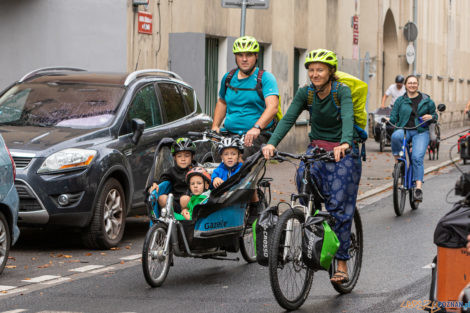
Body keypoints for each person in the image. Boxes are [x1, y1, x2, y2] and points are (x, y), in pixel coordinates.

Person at [262, 49, 362, 285]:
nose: (315, 74)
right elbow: (287, 119)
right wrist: (271, 143)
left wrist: (346, 142)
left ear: (330, 72)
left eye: (320, 69)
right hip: (317, 149)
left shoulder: (341, 91)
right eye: (311, 70)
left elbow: (348, 117)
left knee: (338, 206)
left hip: (343, 152)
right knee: (302, 181)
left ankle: (341, 261)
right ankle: (314, 226)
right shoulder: (306, 93)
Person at [211, 35, 279, 159]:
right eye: (240, 55)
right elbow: (222, 102)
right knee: (215, 161)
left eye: (249, 55)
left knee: (238, 159)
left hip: (256, 135)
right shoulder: (228, 78)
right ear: (235, 57)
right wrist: (215, 126)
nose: (244, 59)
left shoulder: (265, 78)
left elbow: (273, 107)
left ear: (256, 56)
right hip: (229, 134)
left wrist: (256, 127)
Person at [389, 75, 437, 202]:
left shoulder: (426, 100)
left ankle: (418, 189)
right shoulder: (400, 100)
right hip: (404, 130)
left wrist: (431, 117)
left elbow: (435, 115)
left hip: (420, 131)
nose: (412, 85)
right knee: (395, 136)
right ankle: (397, 164)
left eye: (414, 83)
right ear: (405, 85)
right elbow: (393, 117)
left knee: (416, 158)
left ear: (418, 85)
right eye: (410, 83)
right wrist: (388, 120)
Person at [148, 137, 196, 216]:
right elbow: (163, 179)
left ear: (192, 157)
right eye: (179, 156)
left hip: (191, 202)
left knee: (185, 199)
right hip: (175, 202)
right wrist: (155, 184)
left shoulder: (196, 169)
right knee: (162, 198)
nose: (183, 159)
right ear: (174, 158)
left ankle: (186, 216)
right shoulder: (171, 171)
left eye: (187, 156)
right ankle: (169, 218)